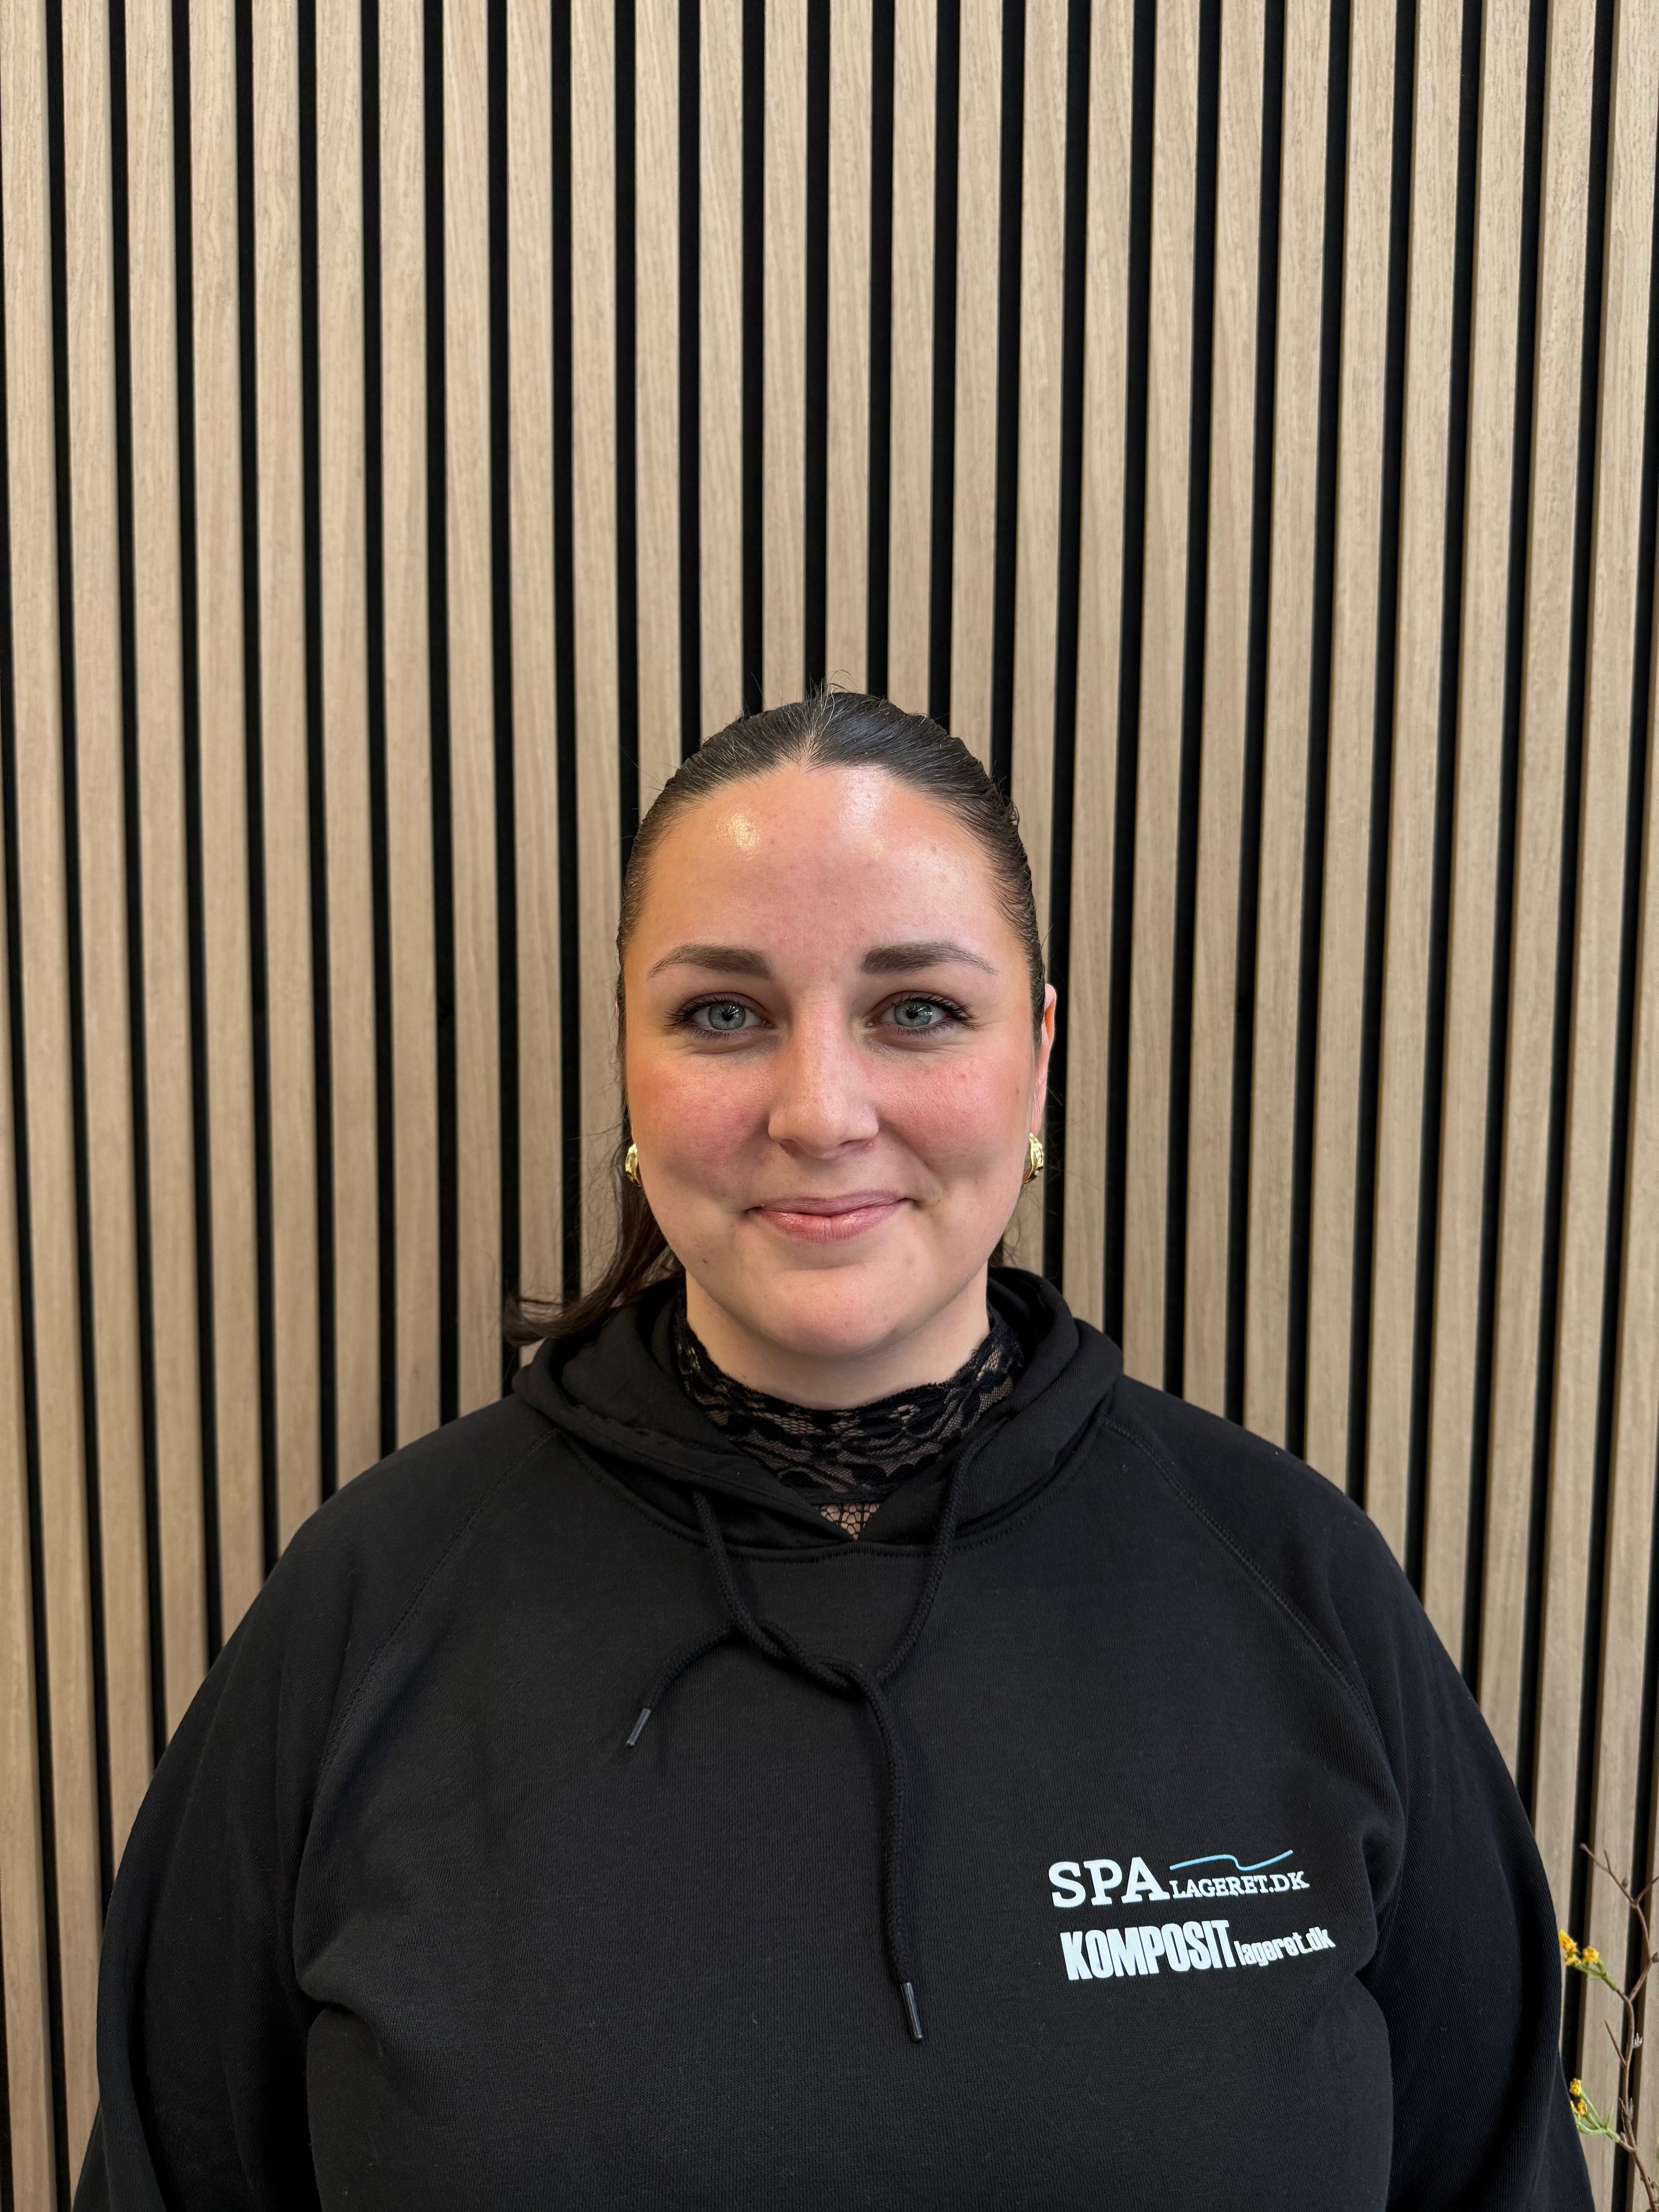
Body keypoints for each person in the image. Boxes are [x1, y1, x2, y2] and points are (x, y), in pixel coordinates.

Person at [77, 690, 1588, 2208]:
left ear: (1037, 1051)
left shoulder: (1294, 1581)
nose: (820, 1112)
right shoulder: (373, 1600)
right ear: (629, 1062)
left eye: (914, 1009)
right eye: (722, 1014)